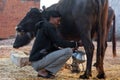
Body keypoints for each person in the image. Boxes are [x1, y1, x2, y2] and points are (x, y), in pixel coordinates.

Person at [29, 10, 79, 78]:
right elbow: (59, 42)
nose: (59, 23)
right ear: (52, 18)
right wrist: (76, 44)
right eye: (58, 20)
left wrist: (70, 47)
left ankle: (44, 71)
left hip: (36, 62)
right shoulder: (48, 27)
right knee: (68, 51)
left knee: (68, 50)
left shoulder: (45, 26)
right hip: (38, 62)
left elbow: (53, 46)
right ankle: (43, 71)